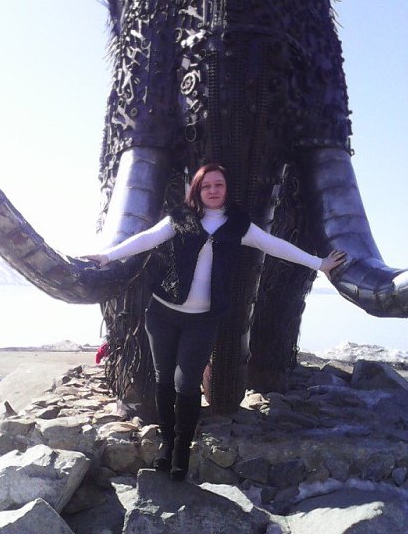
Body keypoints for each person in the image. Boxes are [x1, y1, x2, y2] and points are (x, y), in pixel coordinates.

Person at [83, 163, 345, 481]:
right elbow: (148, 238)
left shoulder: (239, 225)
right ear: (197, 189)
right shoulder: (181, 218)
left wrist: (319, 263)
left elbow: (275, 246)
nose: (212, 190)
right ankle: (167, 446)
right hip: (163, 313)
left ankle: (181, 453)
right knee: (164, 381)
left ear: (226, 188)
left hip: (202, 320)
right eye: (206, 186)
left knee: (186, 384)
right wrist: (108, 256)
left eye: (218, 184)